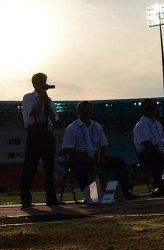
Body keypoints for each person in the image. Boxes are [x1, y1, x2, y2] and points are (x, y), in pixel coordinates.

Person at [61, 100, 139, 201]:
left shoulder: (98, 127)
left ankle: (125, 192)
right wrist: (86, 158)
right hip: (79, 157)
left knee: (119, 162)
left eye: (88, 110)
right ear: (78, 112)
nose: (85, 112)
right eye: (82, 110)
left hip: (96, 156)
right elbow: (68, 149)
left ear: (91, 111)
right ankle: (87, 195)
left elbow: (103, 145)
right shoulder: (71, 129)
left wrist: (102, 157)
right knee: (79, 165)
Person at [19, 73, 60, 208]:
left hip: (47, 134)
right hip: (35, 134)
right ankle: (25, 199)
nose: (44, 84)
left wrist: (46, 101)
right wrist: (42, 98)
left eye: (45, 81)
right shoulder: (28, 98)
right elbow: (35, 114)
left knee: (49, 168)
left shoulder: (48, 100)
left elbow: (54, 120)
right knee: (30, 167)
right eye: (41, 81)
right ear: (34, 83)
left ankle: (51, 198)